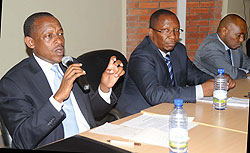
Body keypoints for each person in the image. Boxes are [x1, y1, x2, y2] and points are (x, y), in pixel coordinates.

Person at [0, 12, 125, 149]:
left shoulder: (70, 65)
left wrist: (104, 87)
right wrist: (57, 98)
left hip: (90, 140)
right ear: (31, 42)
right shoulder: (13, 83)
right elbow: (23, 139)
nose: (59, 41)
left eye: (60, 34)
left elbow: (92, 112)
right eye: (49, 36)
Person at [116, 9, 235, 116]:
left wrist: (218, 80)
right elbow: (155, 94)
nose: (173, 36)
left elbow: (193, 74)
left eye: (176, 30)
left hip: (169, 110)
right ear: (151, 33)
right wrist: (201, 91)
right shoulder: (141, 56)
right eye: (165, 30)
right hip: (138, 116)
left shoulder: (179, 50)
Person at [194, 14, 250, 79]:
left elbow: (246, 62)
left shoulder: (234, 44)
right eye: (239, 35)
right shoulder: (210, 47)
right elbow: (230, 73)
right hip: (214, 87)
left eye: (243, 36)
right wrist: (247, 74)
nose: (242, 40)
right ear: (224, 31)